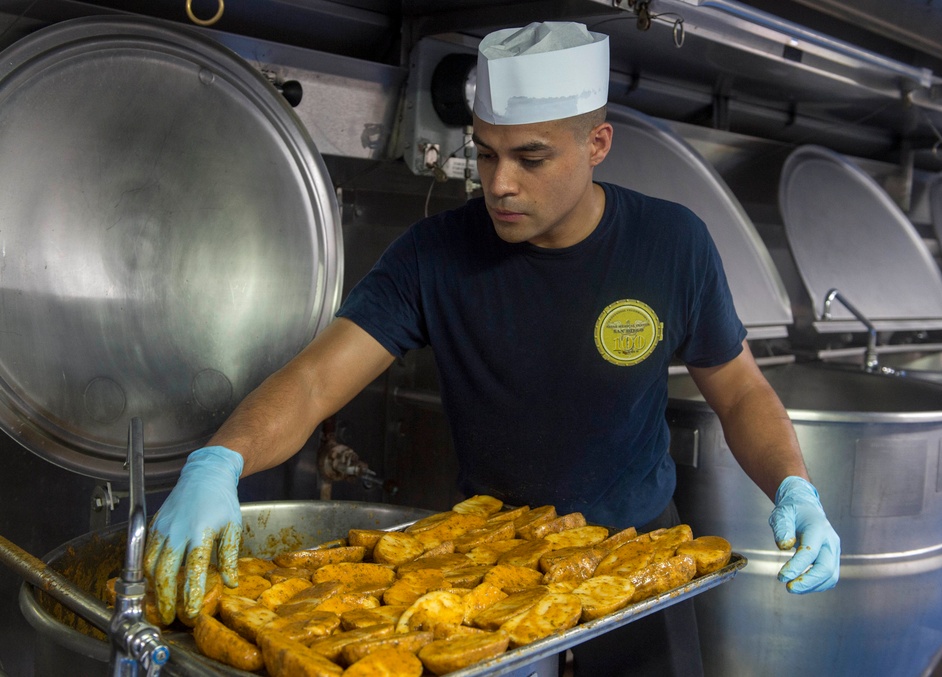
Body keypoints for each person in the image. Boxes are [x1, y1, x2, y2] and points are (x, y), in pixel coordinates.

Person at [145, 20, 840, 675]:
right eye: (484, 152)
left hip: (635, 562)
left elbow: (741, 389)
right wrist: (220, 460)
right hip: (480, 570)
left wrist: (795, 487)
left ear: (596, 145)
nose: (498, 183)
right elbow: (314, 382)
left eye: (530, 157)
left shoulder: (671, 244)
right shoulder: (433, 256)